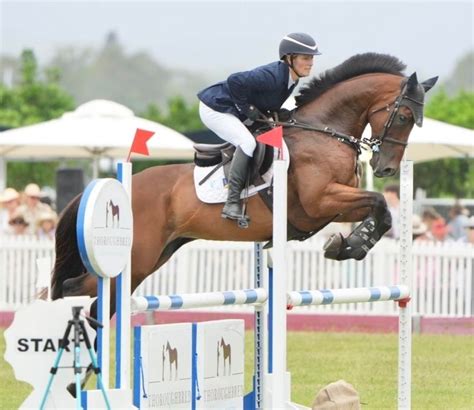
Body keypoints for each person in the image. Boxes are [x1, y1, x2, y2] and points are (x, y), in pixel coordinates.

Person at [197, 32, 321, 223]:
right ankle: (232, 202)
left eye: (311, 58)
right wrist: (247, 109)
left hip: (230, 109)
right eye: (306, 58)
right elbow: (234, 80)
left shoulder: (291, 79)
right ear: (289, 58)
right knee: (247, 142)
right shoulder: (272, 75)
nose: (310, 62)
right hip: (215, 107)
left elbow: (264, 99)